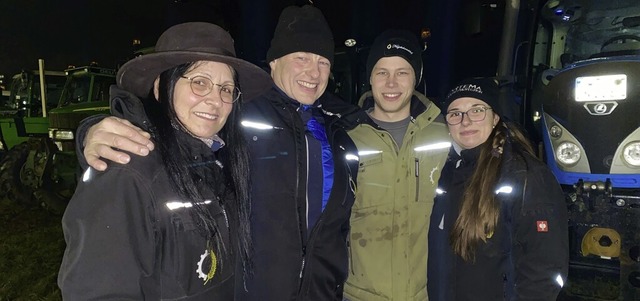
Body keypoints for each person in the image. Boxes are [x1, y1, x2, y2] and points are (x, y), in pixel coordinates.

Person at [73, 5, 360, 300]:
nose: (313, 71)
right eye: (301, 57)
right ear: (273, 62)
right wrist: (93, 132)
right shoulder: (238, 117)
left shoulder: (340, 133)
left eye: (323, 61)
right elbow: (164, 131)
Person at [57, 22, 272, 299]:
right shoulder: (127, 171)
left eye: (226, 89)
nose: (215, 100)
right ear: (160, 87)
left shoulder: (220, 163)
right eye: (200, 82)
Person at [427, 77, 569, 300]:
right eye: (455, 113)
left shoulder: (524, 175)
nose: (465, 121)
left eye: (477, 110)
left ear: (495, 117)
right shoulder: (444, 173)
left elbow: (544, 269)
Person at [341, 30, 450, 301]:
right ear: (370, 78)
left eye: (402, 72)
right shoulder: (346, 137)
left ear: (416, 78)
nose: (391, 83)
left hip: (426, 294)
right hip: (359, 295)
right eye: (382, 72)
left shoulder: (446, 133)